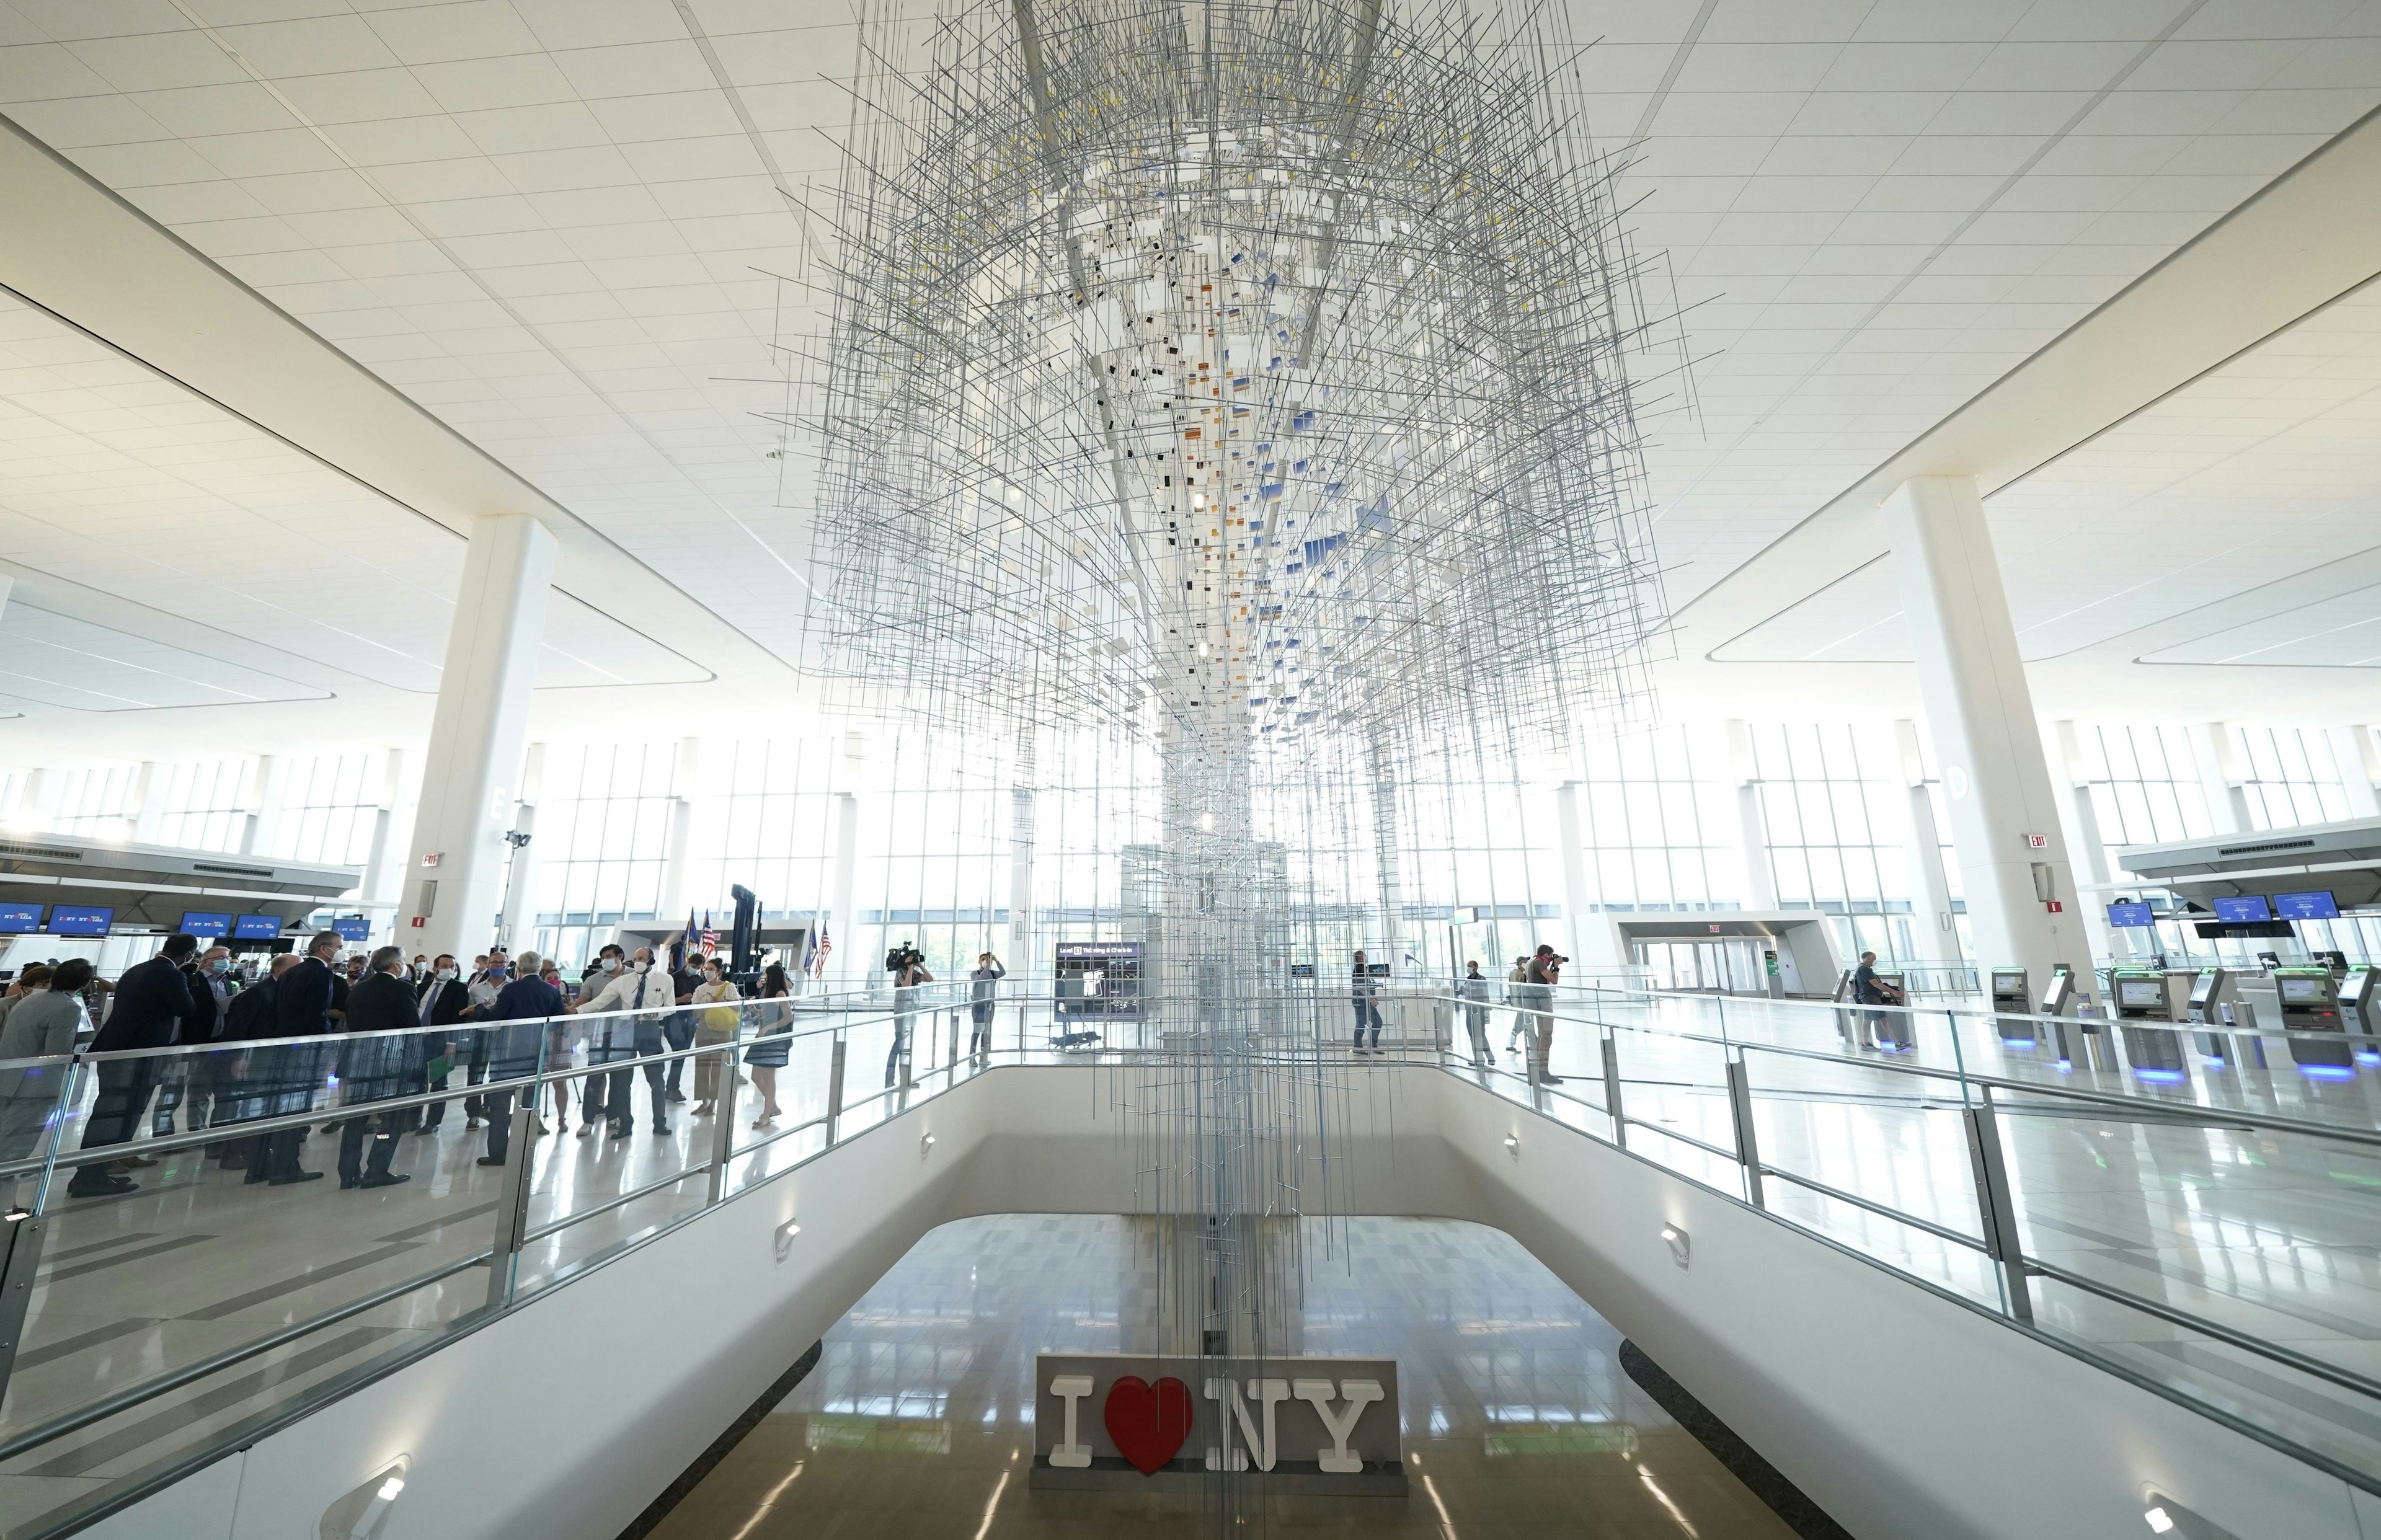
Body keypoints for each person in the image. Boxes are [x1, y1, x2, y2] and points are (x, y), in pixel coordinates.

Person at [68, 932, 200, 1195]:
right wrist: (189, 978)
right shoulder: (173, 974)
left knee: (112, 1109)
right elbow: (187, 1009)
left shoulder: (136, 969)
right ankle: (89, 1176)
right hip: (137, 1052)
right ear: (188, 956)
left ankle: (96, 1170)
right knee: (118, 1111)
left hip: (116, 1048)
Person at [247, 929, 344, 1187]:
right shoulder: (322, 973)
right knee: (295, 1109)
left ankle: (258, 1167)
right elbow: (317, 1014)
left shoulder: (290, 973)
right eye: (339, 946)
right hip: (304, 1052)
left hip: (283, 1047)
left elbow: (278, 1012)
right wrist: (325, 1049)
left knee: (274, 1109)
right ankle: (286, 1167)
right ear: (325, 949)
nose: (342, 951)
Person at [334, 946, 419, 1188]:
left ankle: (348, 1173)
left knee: (355, 1120)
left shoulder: (360, 988)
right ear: (396, 965)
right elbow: (411, 1027)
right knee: (391, 1119)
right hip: (389, 1062)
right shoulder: (402, 988)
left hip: (358, 1060)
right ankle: (377, 1170)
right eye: (403, 961)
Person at [575, 946, 676, 1140]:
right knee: (623, 1082)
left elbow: (670, 1007)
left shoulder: (665, 979)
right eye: (635, 957)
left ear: (651, 960)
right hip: (625, 1032)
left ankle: (660, 1122)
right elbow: (599, 1002)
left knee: (656, 1080)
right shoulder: (624, 981)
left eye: (642, 958)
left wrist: (658, 1013)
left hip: (650, 1031)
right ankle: (625, 1124)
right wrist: (576, 1011)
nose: (637, 961)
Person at [477, 950, 565, 1167]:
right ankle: (524, 1151)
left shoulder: (512, 989)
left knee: (500, 1105)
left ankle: (498, 1153)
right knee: (528, 1106)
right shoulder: (551, 991)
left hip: (508, 1054)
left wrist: (479, 1010)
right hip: (536, 1054)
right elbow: (559, 1021)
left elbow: (495, 1017)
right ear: (539, 969)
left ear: (518, 969)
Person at [213, 952, 301, 1167]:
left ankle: (251, 1150)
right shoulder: (259, 993)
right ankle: (232, 1153)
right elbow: (239, 1026)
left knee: (260, 1105)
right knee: (244, 1106)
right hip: (253, 1058)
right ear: (279, 970)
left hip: (270, 1057)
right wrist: (238, 1057)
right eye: (295, 969)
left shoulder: (283, 992)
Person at [0, 963, 85, 1176]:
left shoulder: (31, 998)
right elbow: (57, 1052)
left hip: (8, 1078)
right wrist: (78, 1058)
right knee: (16, 1147)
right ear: (84, 984)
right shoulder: (68, 1007)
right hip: (34, 1088)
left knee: (5, 1138)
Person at [568, 944, 627, 1132]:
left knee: (620, 1079)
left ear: (620, 957)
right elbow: (582, 1004)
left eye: (609, 956)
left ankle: (613, 1116)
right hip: (598, 1033)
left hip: (625, 1034)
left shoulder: (634, 977)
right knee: (594, 1077)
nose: (605, 960)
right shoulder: (593, 980)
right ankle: (588, 1120)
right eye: (602, 957)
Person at [414, 954, 474, 1134]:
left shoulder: (459, 989)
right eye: (445, 966)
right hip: (419, 1039)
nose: (449, 969)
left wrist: (452, 1043)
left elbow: (458, 1018)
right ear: (435, 969)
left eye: (452, 966)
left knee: (439, 1081)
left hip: (441, 1040)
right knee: (417, 1080)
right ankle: (414, 1118)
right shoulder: (422, 987)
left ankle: (433, 1122)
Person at [689, 956, 743, 1117]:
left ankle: (714, 1102)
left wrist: (721, 1002)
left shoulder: (729, 988)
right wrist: (705, 1008)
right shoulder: (700, 989)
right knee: (702, 1064)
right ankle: (703, 1101)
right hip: (704, 1027)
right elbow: (694, 1012)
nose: (708, 972)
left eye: (711, 969)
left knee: (720, 1065)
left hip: (723, 1028)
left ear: (719, 971)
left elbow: (737, 1007)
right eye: (706, 969)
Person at [744, 963, 793, 1128]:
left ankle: (767, 1114)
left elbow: (788, 1017)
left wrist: (768, 1028)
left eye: (766, 974)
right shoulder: (767, 992)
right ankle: (773, 1106)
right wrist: (756, 1011)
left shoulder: (780, 993)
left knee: (768, 1076)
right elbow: (769, 1013)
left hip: (774, 1038)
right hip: (763, 1035)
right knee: (756, 1076)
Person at [887, 950, 933, 1088]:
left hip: (912, 1011)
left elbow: (930, 979)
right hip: (902, 1011)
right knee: (899, 1045)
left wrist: (919, 965)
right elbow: (906, 985)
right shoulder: (901, 971)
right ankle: (889, 1081)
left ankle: (905, 1080)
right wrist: (910, 967)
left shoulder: (914, 972)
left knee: (907, 1046)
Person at [665, 949, 706, 1105]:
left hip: (691, 1021)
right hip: (674, 1020)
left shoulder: (699, 980)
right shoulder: (673, 978)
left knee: (681, 1056)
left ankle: (672, 1088)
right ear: (688, 963)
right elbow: (664, 1001)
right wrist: (681, 999)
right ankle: (673, 1088)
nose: (695, 968)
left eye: (698, 967)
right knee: (679, 1053)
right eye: (693, 965)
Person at [1525, 944, 1564, 1084]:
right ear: (1547, 955)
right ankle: (1543, 1071)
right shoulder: (1538, 963)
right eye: (1551, 956)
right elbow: (1554, 981)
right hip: (1543, 1003)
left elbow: (1545, 979)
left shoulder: (1531, 963)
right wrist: (1557, 967)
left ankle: (1539, 1069)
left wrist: (1552, 965)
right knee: (1546, 1036)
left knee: (1542, 1036)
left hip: (1536, 1002)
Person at [967, 952, 1006, 1059]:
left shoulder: (993, 973)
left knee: (987, 1031)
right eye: (983, 959)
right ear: (979, 962)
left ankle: (984, 1055)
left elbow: (1003, 972)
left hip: (989, 1005)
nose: (986, 961)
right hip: (978, 1005)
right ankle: (972, 1055)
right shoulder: (975, 973)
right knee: (977, 1030)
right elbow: (981, 979)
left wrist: (996, 961)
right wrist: (987, 967)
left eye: (987, 959)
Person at [1458, 960, 1494, 1066]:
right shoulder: (1468, 980)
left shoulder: (1481, 979)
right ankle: (1478, 1058)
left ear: (1476, 968)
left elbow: (1481, 993)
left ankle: (1490, 1057)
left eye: (1470, 966)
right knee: (1472, 1035)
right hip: (1469, 1010)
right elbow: (1465, 991)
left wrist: (1467, 990)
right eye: (1467, 966)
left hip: (1479, 1010)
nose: (1468, 968)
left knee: (1481, 1034)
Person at [1350, 950, 1383, 1055]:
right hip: (1362, 1003)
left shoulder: (1364, 969)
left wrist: (1377, 985)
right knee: (1361, 1024)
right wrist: (1371, 998)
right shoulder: (1359, 970)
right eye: (1363, 956)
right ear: (1359, 958)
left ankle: (1373, 1045)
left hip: (1367, 1002)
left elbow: (1368, 984)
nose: (1365, 958)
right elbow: (1360, 987)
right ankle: (1358, 1047)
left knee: (1377, 1022)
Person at [1506, 957, 1532, 1055]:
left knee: (1521, 1024)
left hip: (1517, 1002)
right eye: (1525, 963)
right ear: (1520, 964)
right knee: (1525, 1024)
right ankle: (1533, 1044)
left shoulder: (1512, 973)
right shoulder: (1521, 975)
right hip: (1523, 1003)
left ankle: (1511, 1044)